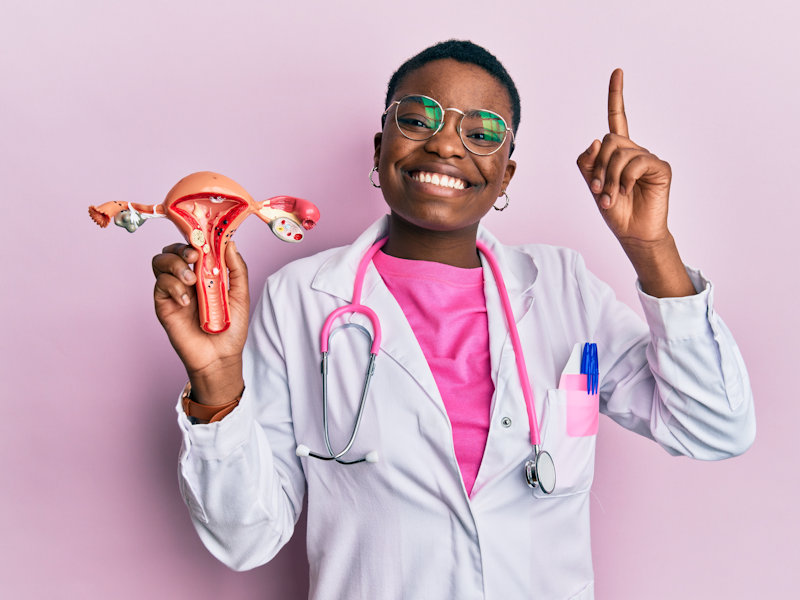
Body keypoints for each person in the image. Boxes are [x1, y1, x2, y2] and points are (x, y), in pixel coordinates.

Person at [152, 41, 755, 599]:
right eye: (417, 120)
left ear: (506, 178)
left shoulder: (565, 291)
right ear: (379, 149)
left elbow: (714, 427)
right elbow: (244, 538)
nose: (444, 145)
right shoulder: (300, 300)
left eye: (482, 132)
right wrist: (218, 381)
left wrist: (651, 247)